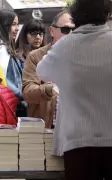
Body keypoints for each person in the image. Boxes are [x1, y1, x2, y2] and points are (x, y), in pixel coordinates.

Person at [36, 0, 112, 179]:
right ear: (106, 15)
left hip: (78, 142)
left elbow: (42, 71)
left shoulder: (64, 46)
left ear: (75, 17)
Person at [22, 11, 75, 129]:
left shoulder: (84, 57)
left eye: (75, 30)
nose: (71, 34)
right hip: (46, 130)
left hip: (74, 132)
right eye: (66, 30)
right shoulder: (36, 56)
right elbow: (28, 92)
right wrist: (49, 89)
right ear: (52, 31)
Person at [0, 9, 27, 117]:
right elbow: (1, 76)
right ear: (4, 25)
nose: (17, 28)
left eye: (17, 24)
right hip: (6, 100)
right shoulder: (0, 47)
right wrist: (22, 94)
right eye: (14, 24)